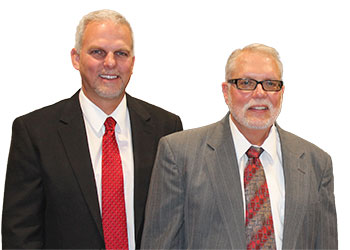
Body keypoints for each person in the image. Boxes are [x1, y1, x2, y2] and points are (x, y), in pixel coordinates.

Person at [2, 9, 182, 249]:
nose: (110, 62)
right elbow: (20, 234)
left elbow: (177, 220)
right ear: (76, 58)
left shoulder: (166, 128)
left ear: (132, 62)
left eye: (121, 53)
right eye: (98, 52)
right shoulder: (35, 132)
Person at [141, 43, 337, 249]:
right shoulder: (179, 154)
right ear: (226, 92)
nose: (260, 93)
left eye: (270, 84)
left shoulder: (316, 162)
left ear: (281, 92)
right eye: (246, 82)